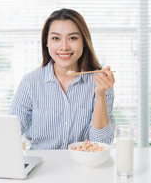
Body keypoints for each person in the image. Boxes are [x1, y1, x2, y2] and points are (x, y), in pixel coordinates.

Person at [10, 8, 115, 150]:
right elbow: (10, 133)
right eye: (55, 38)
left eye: (73, 38)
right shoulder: (30, 82)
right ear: (46, 43)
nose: (64, 47)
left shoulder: (100, 82)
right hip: (42, 165)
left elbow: (101, 142)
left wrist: (100, 95)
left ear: (84, 41)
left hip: (84, 165)